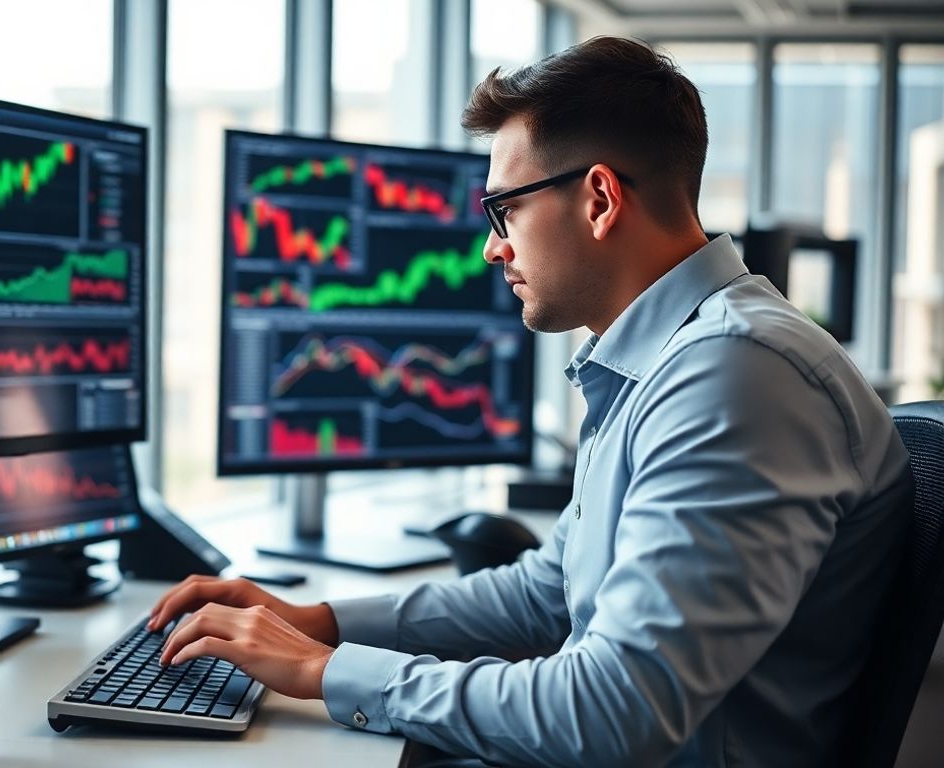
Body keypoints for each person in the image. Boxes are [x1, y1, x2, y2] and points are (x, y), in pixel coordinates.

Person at [148, 35, 913, 767]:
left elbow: (615, 713)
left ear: (600, 199)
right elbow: (550, 593)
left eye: (504, 210)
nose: (492, 247)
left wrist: (327, 671)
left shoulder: (736, 373)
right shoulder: (670, 360)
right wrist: (317, 622)